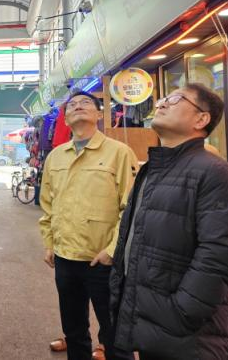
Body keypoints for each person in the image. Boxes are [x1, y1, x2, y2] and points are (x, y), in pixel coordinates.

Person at [110, 83, 228, 360]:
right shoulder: (153, 170)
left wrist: (183, 311)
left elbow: (218, 251)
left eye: (176, 99)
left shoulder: (214, 171)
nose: (161, 103)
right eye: (163, 98)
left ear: (201, 119)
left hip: (190, 333)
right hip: (153, 321)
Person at [39, 90, 138, 360]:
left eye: (85, 103)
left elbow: (130, 207)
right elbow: (47, 204)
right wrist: (50, 243)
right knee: (73, 329)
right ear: (65, 119)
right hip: (65, 257)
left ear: (99, 114)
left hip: (102, 260)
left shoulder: (119, 152)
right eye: (72, 105)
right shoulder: (55, 156)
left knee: (114, 334)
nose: (78, 106)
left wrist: (112, 251)